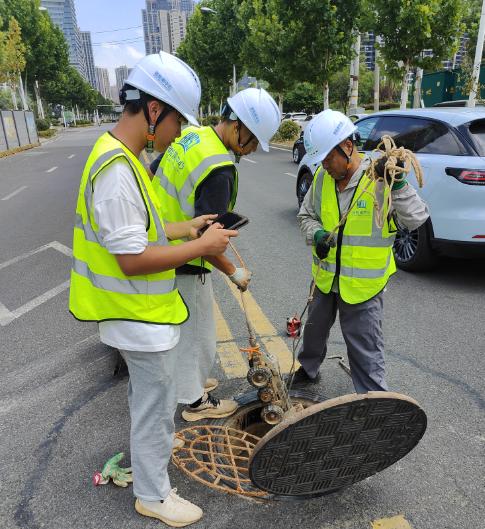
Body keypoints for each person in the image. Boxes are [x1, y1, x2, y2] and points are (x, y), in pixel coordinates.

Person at [69, 51, 238, 527]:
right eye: (178, 120)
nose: (180, 132)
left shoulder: (122, 158)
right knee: (154, 407)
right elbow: (131, 257)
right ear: (154, 109)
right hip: (137, 317)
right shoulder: (118, 172)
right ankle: (153, 494)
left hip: (141, 314)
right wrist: (202, 244)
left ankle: (152, 467)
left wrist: (186, 227)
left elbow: (141, 229)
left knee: (153, 404)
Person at [150, 88, 281, 421]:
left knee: (191, 330)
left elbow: (153, 172)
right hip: (185, 257)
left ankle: (190, 380)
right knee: (197, 334)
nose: (251, 150)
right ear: (240, 127)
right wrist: (234, 272)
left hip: (162, 240)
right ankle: (196, 403)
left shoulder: (193, 137)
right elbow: (210, 240)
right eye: (253, 142)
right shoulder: (219, 169)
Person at [294, 109, 429, 393]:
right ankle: (308, 370)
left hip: (363, 286)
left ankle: (373, 396)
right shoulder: (321, 177)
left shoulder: (380, 178)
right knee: (314, 331)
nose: (325, 166)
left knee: (365, 345)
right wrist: (315, 234)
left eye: (328, 158)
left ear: (347, 146)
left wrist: (400, 184)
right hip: (326, 277)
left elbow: (416, 218)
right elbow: (306, 216)